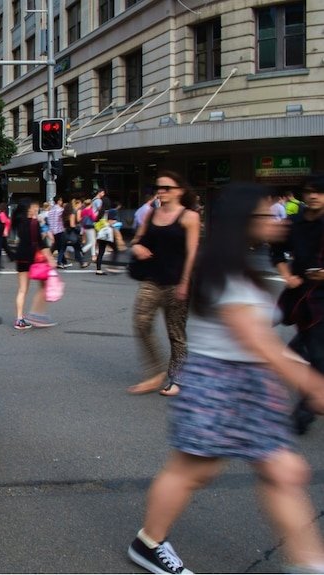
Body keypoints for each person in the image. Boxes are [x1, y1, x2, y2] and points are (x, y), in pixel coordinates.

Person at [127, 183, 324, 575]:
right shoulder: (226, 272)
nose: (277, 221)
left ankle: (309, 563)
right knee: (192, 471)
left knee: (281, 472)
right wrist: (310, 383)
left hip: (249, 386)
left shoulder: (240, 267)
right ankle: (148, 542)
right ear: (244, 221)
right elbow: (258, 341)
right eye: (268, 215)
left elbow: (262, 343)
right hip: (217, 386)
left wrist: (304, 375)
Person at [127, 171, 201, 396]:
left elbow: (192, 253)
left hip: (177, 282)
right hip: (152, 280)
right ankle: (155, 373)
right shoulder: (151, 214)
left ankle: (177, 378)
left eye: (167, 187)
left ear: (180, 191)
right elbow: (137, 240)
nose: (161, 191)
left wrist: (185, 282)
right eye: (158, 187)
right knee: (141, 323)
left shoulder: (189, 217)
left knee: (176, 333)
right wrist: (137, 246)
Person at [271, 174, 324, 435]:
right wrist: (286, 274)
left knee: (318, 355)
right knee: (301, 346)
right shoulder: (294, 222)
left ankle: (304, 412)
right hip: (299, 292)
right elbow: (276, 250)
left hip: (322, 298)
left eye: (319, 192)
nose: (314, 196)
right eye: (310, 191)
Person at [12, 199, 57, 329]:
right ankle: (36, 314)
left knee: (22, 290)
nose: (36, 209)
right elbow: (41, 243)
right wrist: (50, 258)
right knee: (44, 285)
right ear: (29, 208)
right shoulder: (34, 222)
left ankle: (19, 319)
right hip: (33, 258)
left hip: (20, 257)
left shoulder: (19, 222)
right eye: (34, 207)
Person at [95, 202, 121, 276]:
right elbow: (111, 222)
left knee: (101, 252)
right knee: (116, 249)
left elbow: (96, 222)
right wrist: (115, 222)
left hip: (101, 234)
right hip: (107, 234)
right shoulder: (110, 212)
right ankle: (112, 266)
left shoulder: (100, 213)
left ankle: (98, 269)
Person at [47, 196, 67, 267]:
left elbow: (49, 221)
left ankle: (64, 261)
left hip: (53, 231)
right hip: (60, 230)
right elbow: (63, 219)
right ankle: (59, 261)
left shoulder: (51, 211)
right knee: (62, 246)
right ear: (59, 201)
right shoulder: (61, 210)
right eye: (61, 201)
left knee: (57, 246)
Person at [80, 198, 98, 263]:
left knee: (91, 241)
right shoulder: (90, 210)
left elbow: (81, 219)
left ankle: (93, 255)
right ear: (91, 204)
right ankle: (82, 250)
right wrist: (96, 215)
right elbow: (94, 218)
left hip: (85, 227)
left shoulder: (83, 210)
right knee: (92, 242)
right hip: (90, 227)